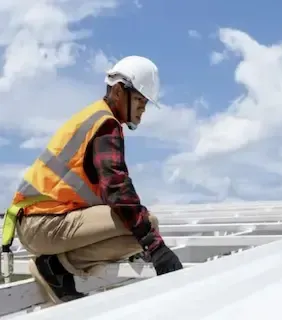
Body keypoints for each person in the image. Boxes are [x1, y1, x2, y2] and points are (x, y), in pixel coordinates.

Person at [1, 55, 183, 304]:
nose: (143, 109)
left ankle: (55, 264)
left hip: (40, 221)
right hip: (43, 223)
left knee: (141, 230)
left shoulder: (95, 117)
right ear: (119, 91)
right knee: (146, 226)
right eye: (140, 100)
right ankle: (55, 267)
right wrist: (155, 246)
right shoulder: (106, 126)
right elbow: (117, 188)